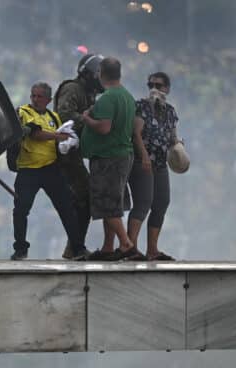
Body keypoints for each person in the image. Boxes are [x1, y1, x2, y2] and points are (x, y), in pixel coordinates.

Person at [10, 82, 90, 261]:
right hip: (28, 169)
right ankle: (20, 248)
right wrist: (57, 136)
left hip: (51, 168)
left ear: (48, 100)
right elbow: (35, 134)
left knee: (67, 208)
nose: (36, 100)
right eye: (33, 96)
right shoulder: (23, 112)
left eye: (40, 97)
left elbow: (64, 135)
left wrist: (67, 142)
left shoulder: (54, 116)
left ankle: (78, 248)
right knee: (21, 210)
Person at [80, 57, 145, 261]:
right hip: (122, 155)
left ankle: (126, 244)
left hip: (109, 156)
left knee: (107, 203)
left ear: (100, 73)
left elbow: (104, 127)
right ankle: (108, 247)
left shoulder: (108, 98)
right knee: (113, 202)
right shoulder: (126, 95)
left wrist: (86, 118)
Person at [54, 53, 104, 259]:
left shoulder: (88, 93)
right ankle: (75, 247)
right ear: (89, 74)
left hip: (74, 154)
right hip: (64, 154)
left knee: (84, 199)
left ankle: (74, 246)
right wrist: (88, 118)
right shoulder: (72, 89)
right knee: (83, 197)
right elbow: (64, 115)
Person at [127, 72, 179, 261]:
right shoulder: (142, 106)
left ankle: (152, 250)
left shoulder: (170, 111)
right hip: (143, 162)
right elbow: (136, 133)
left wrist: (178, 148)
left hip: (160, 163)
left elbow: (172, 137)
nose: (154, 88)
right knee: (143, 203)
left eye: (158, 85)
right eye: (151, 85)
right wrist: (144, 156)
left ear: (167, 89)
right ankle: (130, 247)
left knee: (161, 203)